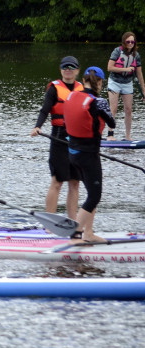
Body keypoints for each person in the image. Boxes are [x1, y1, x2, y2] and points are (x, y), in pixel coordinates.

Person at [65, 66, 116, 243]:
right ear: (100, 82)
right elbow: (112, 123)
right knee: (95, 196)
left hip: (73, 153)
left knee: (90, 194)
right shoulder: (99, 101)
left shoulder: (72, 95)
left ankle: (89, 233)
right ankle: (76, 234)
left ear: (84, 79)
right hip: (89, 155)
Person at [30, 55, 82, 215]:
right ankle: (50, 222)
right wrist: (38, 126)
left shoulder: (82, 88)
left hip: (77, 139)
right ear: (61, 70)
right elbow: (45, 110)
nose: (68, 70)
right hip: (59, 137)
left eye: (71, 67)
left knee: (75, 183)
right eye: (65, 67)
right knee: (57, 181)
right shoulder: (54, 89)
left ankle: (73, 223)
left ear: (77, 71)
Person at [106, 32, 145, 141]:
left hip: (127, 83)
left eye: (132, 41)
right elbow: (109, 67)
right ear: (124, 42)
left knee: (128, 110)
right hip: (114, 82)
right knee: (113, 109)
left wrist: (143, 90)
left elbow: (139, 74)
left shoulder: (136, 55)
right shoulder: (117, 51)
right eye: (128, 42)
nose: (130, 44)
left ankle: (128, 136)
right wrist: (125, 70)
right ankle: (110, 134)